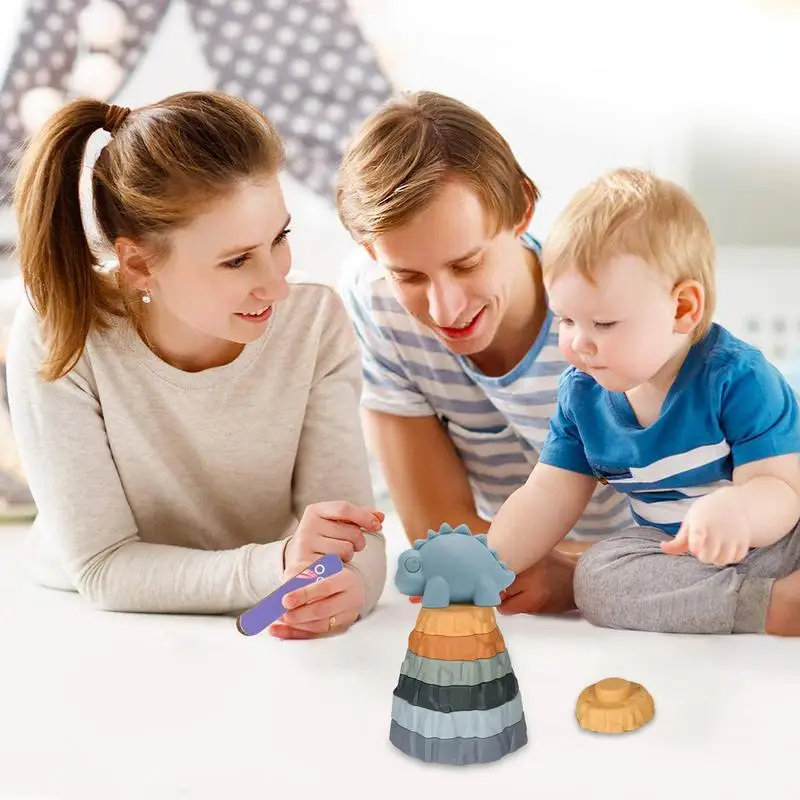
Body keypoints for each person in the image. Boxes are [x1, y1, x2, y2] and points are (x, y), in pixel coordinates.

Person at [5, 90, 387, 639]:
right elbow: (103, 567)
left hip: (260, 620)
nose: (277, 284)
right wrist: (275, 567)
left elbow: (353, 536)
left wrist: (352, 588)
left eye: (279, 237)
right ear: (138, 263)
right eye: (236, 260)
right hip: (93, 631)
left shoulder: (314, 323)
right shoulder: (58, 331)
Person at [335, 90, 634, 616]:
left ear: (520, 209)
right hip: (523, 596)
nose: (443, 308)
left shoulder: (610, 312)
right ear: (371, 252)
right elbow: (438, 532)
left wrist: (577, 573)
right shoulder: (376, 302)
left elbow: (702, 532)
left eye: (467, 263)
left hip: (646, 581)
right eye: (408, 275)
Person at [485, 166, 800, 637]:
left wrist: (739, 512)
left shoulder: (736, 376)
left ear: (682, 309)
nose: (578, 344)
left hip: (783, 536)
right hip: (675, 554)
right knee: (595, 578)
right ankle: (770, 605)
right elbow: (546, 496)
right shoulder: (582, 397)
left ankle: (749, 596)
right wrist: (486, 562)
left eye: (604, 324)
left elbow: (781, 491)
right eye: (566, 320)